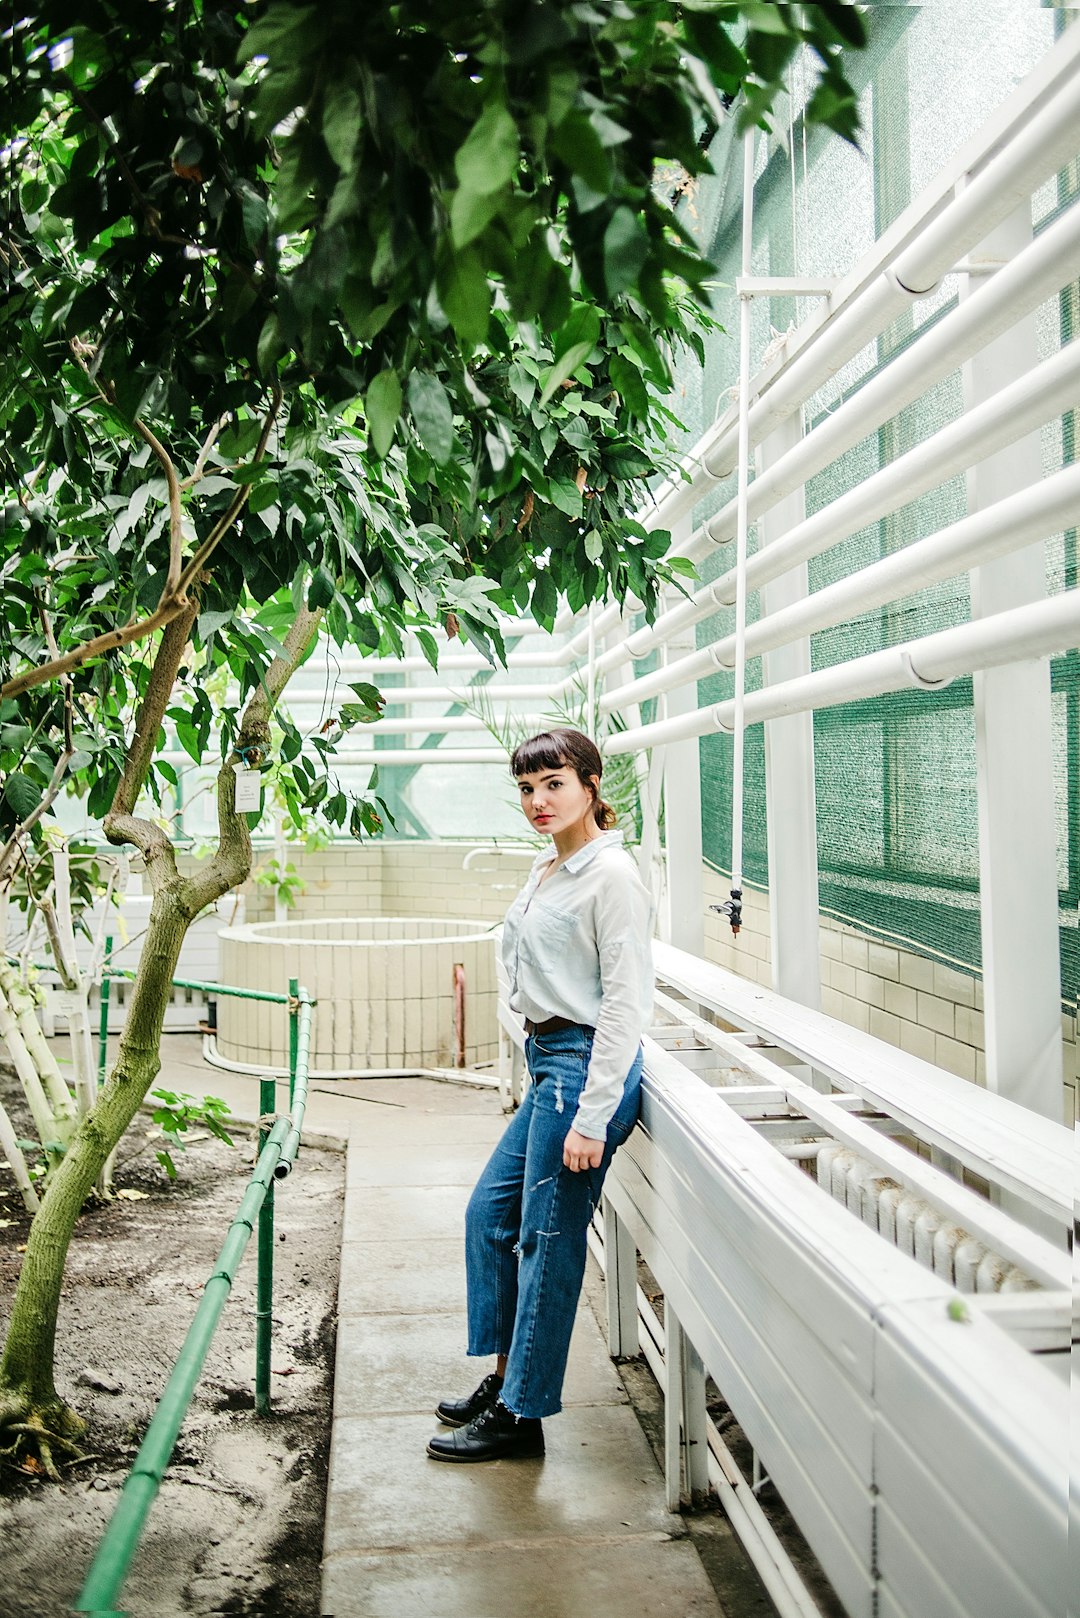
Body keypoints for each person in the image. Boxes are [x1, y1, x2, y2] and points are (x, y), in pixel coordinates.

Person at [427, 729, 654, 1463]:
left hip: (583, 1073)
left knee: (547, 1244)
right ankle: (505, 1382)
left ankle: (521, 1419)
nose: (538, 801)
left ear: (590, 784)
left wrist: (592, 1115)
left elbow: (625, 1004)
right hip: (549, 1063)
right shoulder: (548, 868)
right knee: (488, 1218)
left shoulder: (610, 878)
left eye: (554, 783)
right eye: (527, 788)